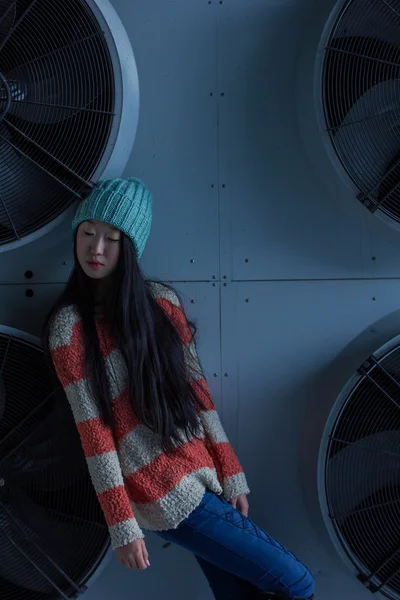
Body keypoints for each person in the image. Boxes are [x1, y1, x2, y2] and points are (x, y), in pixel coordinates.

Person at [43, 178, 315, 600]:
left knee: (239, 594)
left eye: (112, 238)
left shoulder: (161, 303)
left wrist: (232, 472)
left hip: (201, 473)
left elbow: (199, 397)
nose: (96, 248)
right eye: (88, 233)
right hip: (161, 491)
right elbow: (95, 439)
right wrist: (122, 527)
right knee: (297, 582)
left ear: (130, 248)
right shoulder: (70, 329)